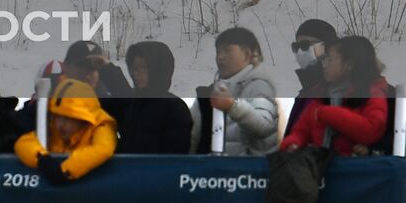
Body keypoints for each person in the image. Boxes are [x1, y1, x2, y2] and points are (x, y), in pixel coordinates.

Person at [281, 36, 391, 156]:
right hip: (321, 168)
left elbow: (372, 129)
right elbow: (301, 131)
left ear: (348, 64)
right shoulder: (320, 96)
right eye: (324, 60)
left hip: (354, 169)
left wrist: (331, 114)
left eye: (329, 60)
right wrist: (293, 142)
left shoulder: (372, 95)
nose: (324, 65)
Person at [192, 27, 279, 155]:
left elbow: (264, 127)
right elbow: (193, 136)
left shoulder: (259, 85)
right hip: (217, 171)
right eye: (218, 51)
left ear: (248, 54)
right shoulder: (211, 91)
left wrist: (232, 106)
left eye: (227, 50)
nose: (220, 57)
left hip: (251, 171)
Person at [15, 79, 118, 185]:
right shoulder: (53, 125)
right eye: (58, 116)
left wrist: (64, 171)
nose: (61, 124)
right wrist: (42, 159)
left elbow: (103, 148)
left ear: (83, 118)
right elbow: (24, 142)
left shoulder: (102, 124)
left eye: (68, 118)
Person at [15, 41, 129, 132]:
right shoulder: (48, 102)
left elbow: (131, 114)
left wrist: (110, 70)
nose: (88, 73)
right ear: (66, 67)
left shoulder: (105, 105)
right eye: (82, 66)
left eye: (95, 67)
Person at [104, 40, 191, 154]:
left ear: (158, 69)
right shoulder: (132, 104)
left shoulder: (174, 108)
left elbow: (175, 157)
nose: (137, 73)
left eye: (143, 67)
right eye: (134, 68)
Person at [286, 19, 338, 133]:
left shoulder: (341, 88)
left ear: (327, 47)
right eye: (296, 46)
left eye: (305, 45)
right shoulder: (306, 92)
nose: (299, 51)